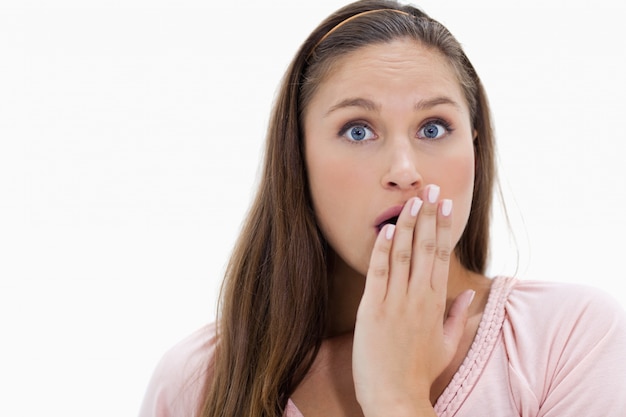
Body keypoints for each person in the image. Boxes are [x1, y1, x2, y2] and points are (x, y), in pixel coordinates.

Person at [138, 0, 626, 416]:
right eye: (357, 130)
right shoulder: (197, 382)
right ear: (297, 158)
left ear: (474, 147)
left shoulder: (571, 339)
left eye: (433, 128)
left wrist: (398, 395)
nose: (405, 170)